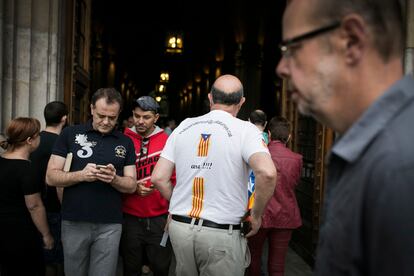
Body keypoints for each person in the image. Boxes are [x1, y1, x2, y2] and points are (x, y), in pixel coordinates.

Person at [276, 1, 412, 275]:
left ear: (351, 41)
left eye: (292, 49)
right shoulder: (377, 151)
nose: (281, 67)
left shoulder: (399, 167)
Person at [151, 74, 277, 276]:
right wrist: (256, 215)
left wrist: (179, 203)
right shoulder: (246, 130)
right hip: (221, 234)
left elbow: (158, 177)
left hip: (180, 229)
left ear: (210, 98)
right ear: (242, 102)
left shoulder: (184, 126)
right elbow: (268, 173)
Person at [46, 88, 137, 276]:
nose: (106, 122)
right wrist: (81, 175)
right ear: (91, 109)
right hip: (74, 220)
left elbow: (131, 185)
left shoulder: (126, 142)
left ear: (119, 114)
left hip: (110, 224)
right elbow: (51, 177)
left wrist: (114, 179)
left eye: (112, 118)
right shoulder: (70, 134)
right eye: (101, 115)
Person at [121, 96, 175, 276]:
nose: (140, 121)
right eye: (137, 116)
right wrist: (132, 186)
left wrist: (173, 212)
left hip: (159, 216)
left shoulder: (168, 141)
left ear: (156, 118)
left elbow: (176, 178)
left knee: (161, 267)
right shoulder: (123, 139)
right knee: (131, 268)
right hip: (129, 215)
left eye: (146, 117)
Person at [248, 116, 302, 276]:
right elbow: (294, 183)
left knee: (254, 258)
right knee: (278, 265)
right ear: (289, 137)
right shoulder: (296, 159)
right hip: (285, 215)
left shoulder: (259, 155)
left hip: (260, 213)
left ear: (269, 134)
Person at [0, 117, 54, 275]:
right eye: (38, 135)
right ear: (30, 140)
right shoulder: (27, 169)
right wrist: (46, 235)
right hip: (20, 233)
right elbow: (34, 206)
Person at [30, 101, 68, 276]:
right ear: (64, 119)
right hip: (56, 208)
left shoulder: (33, 142)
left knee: (42, 256)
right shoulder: (64, 143)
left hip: (33, 206)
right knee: (59, 257)